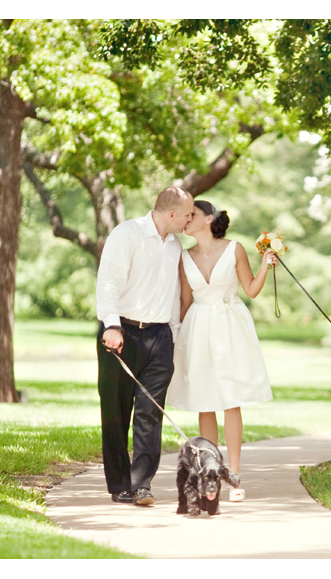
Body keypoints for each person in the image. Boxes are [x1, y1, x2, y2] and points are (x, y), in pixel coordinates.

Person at [166, 200, 276, 502]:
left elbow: (251, 289)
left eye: (193, 215)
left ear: (209, 218)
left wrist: (266, 264)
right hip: (198, 327)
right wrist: (174, 335)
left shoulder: (235, 248)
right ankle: (208, 474)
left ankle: (235, 478)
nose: (187, 219)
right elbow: (186, 300)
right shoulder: (184, 256)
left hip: (230, 327)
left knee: (231, 399)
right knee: (204, 399)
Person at [96, 185, 194, 506]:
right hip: (121, 333)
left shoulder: (175, 245)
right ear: (171, 213)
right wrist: (111, 324)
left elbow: (174, 293)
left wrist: (174, 338)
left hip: (159, 337)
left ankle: (141, 485)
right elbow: (108, 281)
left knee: (150, 414)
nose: (190, 219)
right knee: (117, 411)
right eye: (188, 214)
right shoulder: (127, 235)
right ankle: (119, 483)